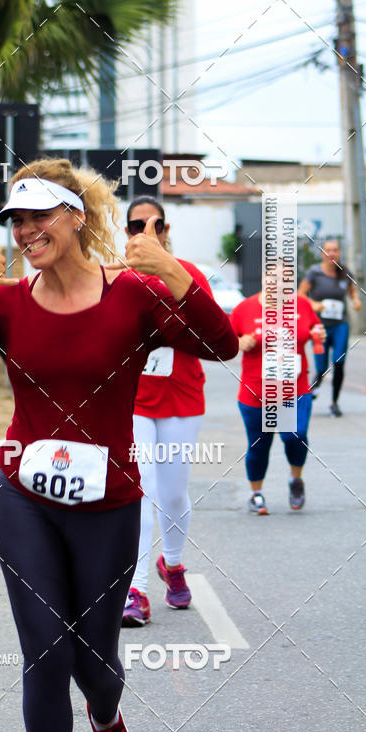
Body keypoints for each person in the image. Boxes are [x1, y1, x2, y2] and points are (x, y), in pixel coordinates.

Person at [0, 159, 238, 732]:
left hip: (108, 505)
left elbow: (218, 345)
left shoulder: (134, 296)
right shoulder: (5, 304)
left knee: (95, 666)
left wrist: (174, 274)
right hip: (25, 499)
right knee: (45, 657)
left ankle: (107, 718)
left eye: (40, 215)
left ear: (76, 217)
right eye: (17, 219)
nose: (27, 229)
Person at [120, 197, 213, 627]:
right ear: (126, 232)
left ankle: (172, 564)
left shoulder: (187, 274)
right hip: (132, 401)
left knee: (173, 492)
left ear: (166, 228)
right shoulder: (120, 278)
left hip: (181, 397)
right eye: (135, 225)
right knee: (142, 489)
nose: (143, 231)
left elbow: (213, 332)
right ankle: (134, 590)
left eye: (152, 224)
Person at [230, 273, 325, 515]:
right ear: (263, 280)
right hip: (256, 393)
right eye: (272, 278)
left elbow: (315, 327)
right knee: (259, 445)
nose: (277, 284)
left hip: (295, 390)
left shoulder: (301, 304)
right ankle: (257, 494)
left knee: (295, 435)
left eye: (284, 279)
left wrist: (319, 333)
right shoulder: (244, 309)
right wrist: (240, 342)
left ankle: (296, 480)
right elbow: (226, 341)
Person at [298, 238, 362, 417]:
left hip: (340, 324)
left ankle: (334, 402)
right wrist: (315, 304)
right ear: (322, 253)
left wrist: (356, 300)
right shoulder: (314, 272)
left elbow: (352, 291)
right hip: (320, 327)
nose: (331, 253)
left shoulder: (344, 271)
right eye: (328, 250)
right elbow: (301, 294)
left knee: (339, 363)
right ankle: (313, 389)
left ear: (339, 253)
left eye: (335, 250)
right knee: (321, 367)